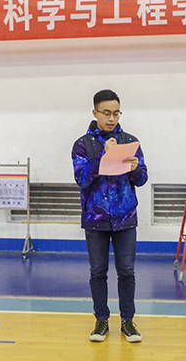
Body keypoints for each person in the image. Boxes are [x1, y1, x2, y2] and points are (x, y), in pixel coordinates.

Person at [71, 89, 148, 343]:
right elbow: (82, 179)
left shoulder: (130, 141)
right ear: (95, 113)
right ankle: (101, 321)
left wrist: (135, 169)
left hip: (125, 219)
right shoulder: (82, 145)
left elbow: (142, 178)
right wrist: (102, 157)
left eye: (116, 113)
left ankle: (128, 322)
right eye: (106, 113)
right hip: (95, 220)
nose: (112, 118)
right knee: (98, 271)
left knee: (126, 271)